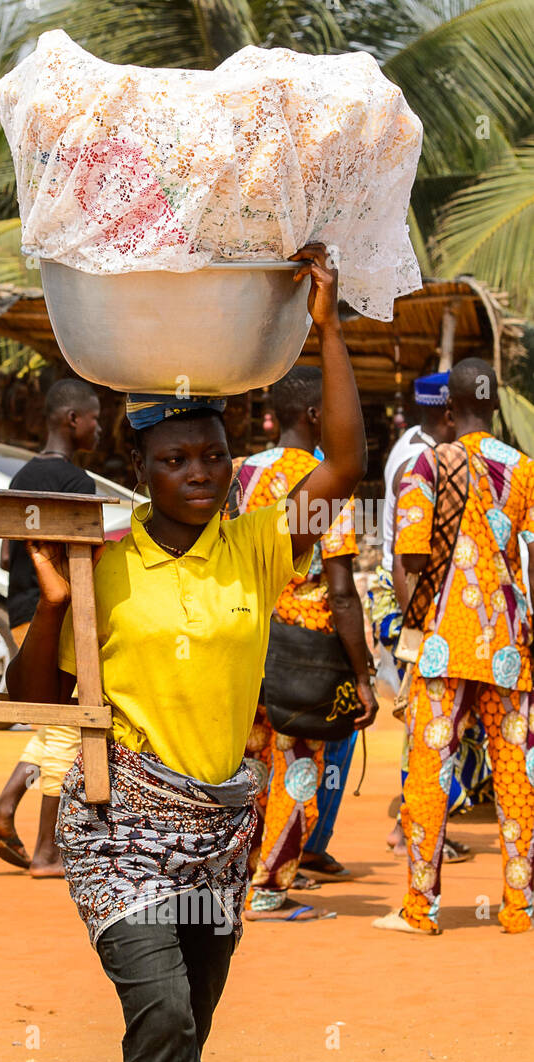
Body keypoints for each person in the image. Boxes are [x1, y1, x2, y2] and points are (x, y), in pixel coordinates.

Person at [7, 245, 364, 1062]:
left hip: (217, 827)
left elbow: (339, 463)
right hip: (118, 819)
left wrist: (328, 324)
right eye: (176, 462)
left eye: (210, 457)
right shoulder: (105, 557)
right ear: (143, 469)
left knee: (181, 1022)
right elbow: (35, 698)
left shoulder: (258, 545)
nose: (198, 475)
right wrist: (61, 609)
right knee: (160, 1008)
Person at [374, 358, 534, 936]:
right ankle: (519, 908)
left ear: (448, 407)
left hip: (443, 645)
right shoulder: (524, 469)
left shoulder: (427, 465)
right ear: (494, 406)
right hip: (511, 645)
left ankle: (421, 907)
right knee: (516, 773)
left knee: (429, 771)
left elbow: (411, 559)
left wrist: (412, 632)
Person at [236, 366, 377, 920]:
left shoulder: (242, 473)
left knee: (248, 767)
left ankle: (238, 875)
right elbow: (341, 591)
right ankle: (270, 889)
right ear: (316, 414)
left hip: (244, 640)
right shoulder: (326, 480)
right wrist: (363, 674)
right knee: (297, 770)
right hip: (305, 654)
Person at [0, 378, 100, 876]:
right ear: (73, 420)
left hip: (24, 609)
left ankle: (4, 807)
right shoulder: (77, 483)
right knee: (68, 726)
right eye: (93, 417)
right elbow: (82, 565)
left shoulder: (23, 475)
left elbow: (9, 552)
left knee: (55, 720)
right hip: (58, 613)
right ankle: (47, 850)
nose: (99, 427)